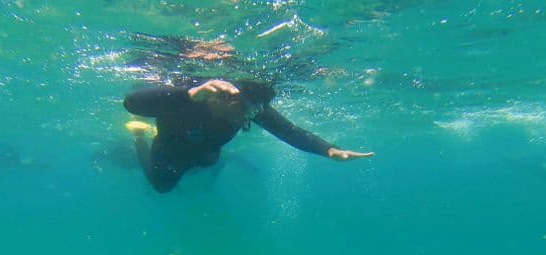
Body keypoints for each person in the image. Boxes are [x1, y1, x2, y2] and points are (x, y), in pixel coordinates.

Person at [123, 79, 374, 193]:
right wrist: (188, 94)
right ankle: (138, 138)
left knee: (206, 162)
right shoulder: (195, 96)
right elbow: (132, 104)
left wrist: (328, 150)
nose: (248, 118)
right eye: (244, 111)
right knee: (162, 185)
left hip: (207, 152)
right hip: (170, 148)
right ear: (227, 99)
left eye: (253, 112)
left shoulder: (249, 108)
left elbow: (289, 132)